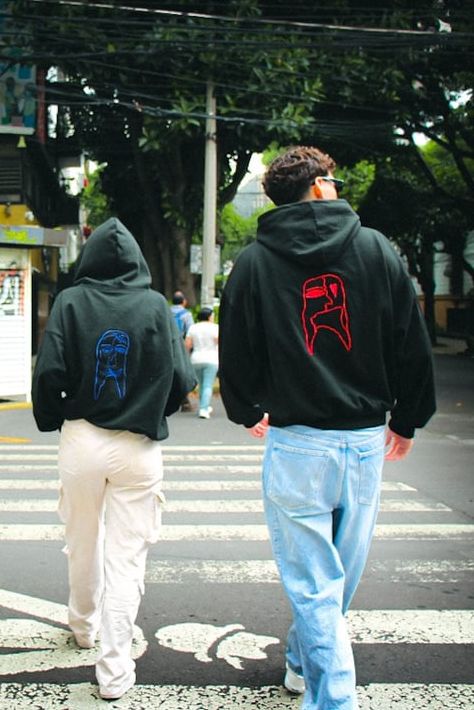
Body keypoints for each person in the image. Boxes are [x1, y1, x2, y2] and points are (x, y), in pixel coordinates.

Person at [218, 146, 435, 710]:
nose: (337, 186)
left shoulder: (254, 262)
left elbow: (236, 348)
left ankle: (303, 667)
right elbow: (412, 342)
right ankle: (332, 698)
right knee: (333, 580)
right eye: (333, 179)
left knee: (317, 583)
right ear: (317, 188)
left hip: (296, 443)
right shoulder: (376, 250)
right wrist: (407, 419)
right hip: (364, 441)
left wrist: (247, 407)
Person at [31, 218, 196, 701]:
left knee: (82, 540)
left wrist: (54, 418)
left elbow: (49, 372)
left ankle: (82, 626)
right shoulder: (155, 305)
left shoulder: (71, 302)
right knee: (126, 559)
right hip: (138, 446)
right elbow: (181, 378)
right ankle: (115, 672)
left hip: (82, 438)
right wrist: (151, 409)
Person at [185, 306, 219, 419]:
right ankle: (204, 409)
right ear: (209, 316)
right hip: (211, 358)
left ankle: (204, 405)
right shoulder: (215, 327)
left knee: (202, 384)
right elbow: (218, 341)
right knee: (208, 385)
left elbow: (188, 344)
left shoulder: (193, 328)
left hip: (196, 358)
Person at [171, 291, 195, 411]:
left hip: (167, 345)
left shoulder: (166, 311)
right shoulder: (186, 315)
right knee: (182, 372)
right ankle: (184, 401)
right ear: (184, 301)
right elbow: (190, 332)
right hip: (181, 346)